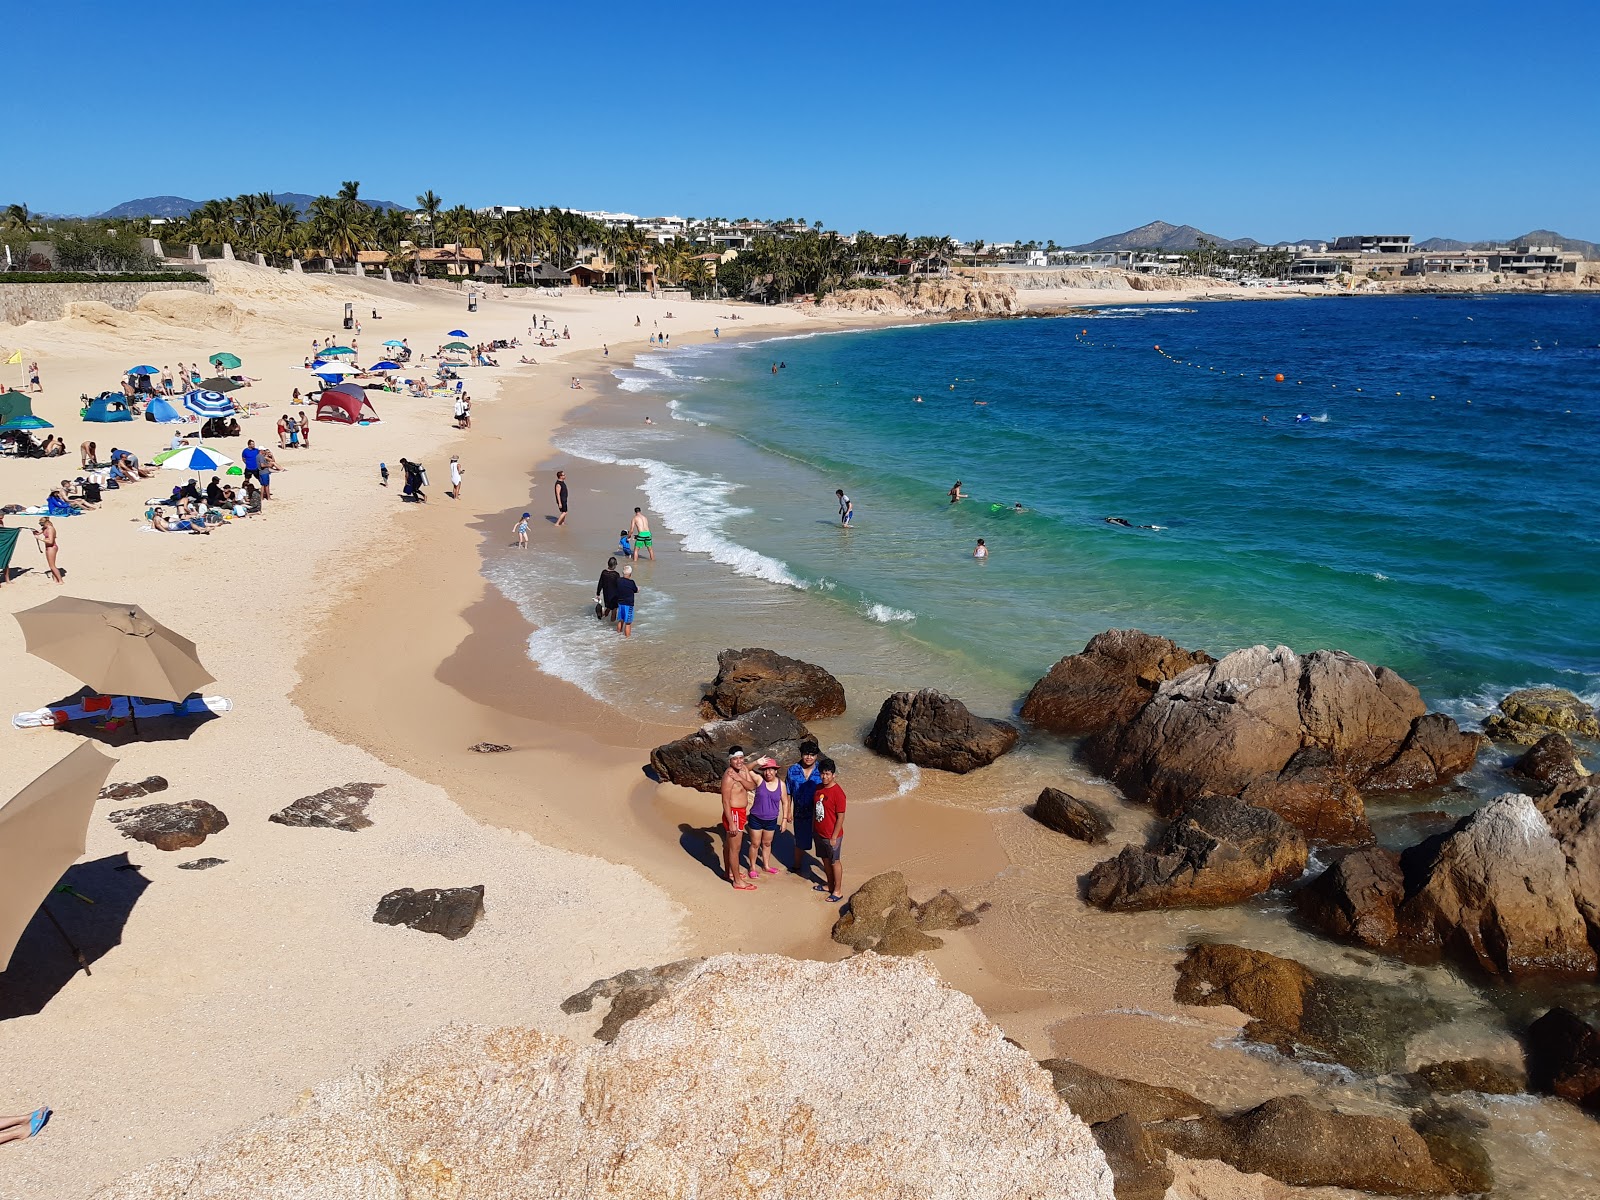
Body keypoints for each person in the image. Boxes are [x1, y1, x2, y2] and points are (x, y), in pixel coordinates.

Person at [719, 747, 758, 891]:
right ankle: (737, 881)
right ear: (730, 760)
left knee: (729, 846)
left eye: (741, 758)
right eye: (735, 759)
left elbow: (751, 786)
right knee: (735, 849)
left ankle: (728, 872)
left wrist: (740, 778)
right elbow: (725, 801)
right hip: (733, 814)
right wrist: (731, 822)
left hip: (741, 812)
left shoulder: (743, 770)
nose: (739, 761)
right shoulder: (728, 776)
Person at [746, 757, 790, 878]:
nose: (768, 772)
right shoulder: (760, 780)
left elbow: (785, 802)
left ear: (776, 771)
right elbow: (745, 769)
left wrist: (784, 820)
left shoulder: (781, 785)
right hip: (756, 818)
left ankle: (766, 866)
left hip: (771, 820)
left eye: (771, 769)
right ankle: (752, 867)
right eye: (765, 770)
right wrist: (756, 762)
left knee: (767, 844)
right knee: (755, 844)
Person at [786, 741, 823, 877]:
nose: (809, 757)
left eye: (812, 755)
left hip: (819, 814)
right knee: (800, 841)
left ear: (816, 756)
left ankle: (827, 866)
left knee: (822, 842)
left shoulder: (821, 771)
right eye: (806, 754)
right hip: (799, 813)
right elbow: (788, 792)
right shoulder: (792, 770)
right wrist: (787, 812)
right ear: (801, 754)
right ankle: (797, 866)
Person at [813, 756, 847, 902]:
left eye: (827, 774)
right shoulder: (818, 788)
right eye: (822, 773)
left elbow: (840, 817)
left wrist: (834, 837)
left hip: (832, 835)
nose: (824, 776)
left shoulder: (838, 793)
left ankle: (838, 891)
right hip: (819, 832)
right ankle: (829, 884)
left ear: (834, 775)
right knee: (825, 860)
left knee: (834, 862)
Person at [33, 517, 61, 583]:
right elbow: (38, 532)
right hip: (48, 547)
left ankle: (60, 581)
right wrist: (34, 532)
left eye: (42, 524)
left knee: (52, 566)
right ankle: (55, 579)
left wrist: (40, 538)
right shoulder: (45, 528)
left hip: (52, 547)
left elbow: (50, 541)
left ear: (46, 523)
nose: (41, 526)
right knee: (50, 565)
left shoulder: (50, 529)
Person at [614, 564, 638, 637]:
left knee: (621, 620)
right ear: (630, 574)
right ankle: (627, 638)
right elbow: (635, 590)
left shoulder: (618, 581)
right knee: (628, 622)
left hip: (621, 603)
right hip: (628, 604)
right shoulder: (631, 582)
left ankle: (618, 634)